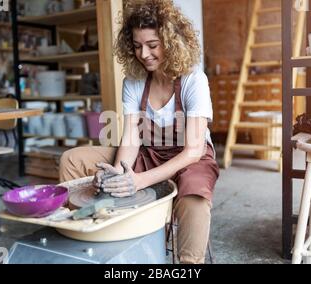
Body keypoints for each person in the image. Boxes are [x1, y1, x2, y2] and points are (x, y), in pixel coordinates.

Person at [59, 0, 219, 264]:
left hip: (189, 159)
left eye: (153, 45)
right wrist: (120, 174)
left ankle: (191, 264)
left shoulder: (193, 79)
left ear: (172, 41)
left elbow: (194, 150)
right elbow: (132, 136)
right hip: (148, 152)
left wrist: (139, 181)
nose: (144, 54)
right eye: (137, 46)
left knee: (194, 197)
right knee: (73, 160)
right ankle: (88, 243)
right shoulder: (134, 81)